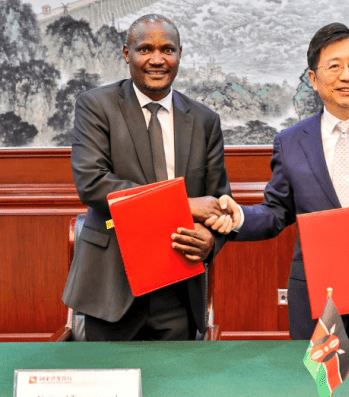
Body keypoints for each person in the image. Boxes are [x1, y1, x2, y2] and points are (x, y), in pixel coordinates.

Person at [208, 23, 349, 339]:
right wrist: (239, 218)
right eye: (335, 66)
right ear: (313, 79)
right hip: (316, 308)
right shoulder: (290, 142)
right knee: (319, 389)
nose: (347, 76)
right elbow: (276, 212)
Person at [63, 14, 232, 341]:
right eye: (145, 49)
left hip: (178, 291)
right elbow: (93, 184)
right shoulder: (96, 106)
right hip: (111, 286)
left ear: (180, 54)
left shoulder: (205, 120)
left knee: (176, 390)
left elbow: (217, 202)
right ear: (127, 53)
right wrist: (183, 204)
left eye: (167, 49)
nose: (157, 59)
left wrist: (211, 240)